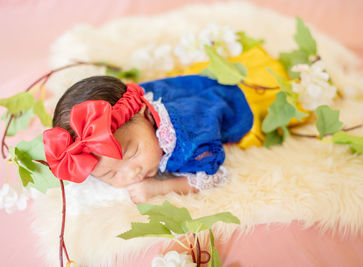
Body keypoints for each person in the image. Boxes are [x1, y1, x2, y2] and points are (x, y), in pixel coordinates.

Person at [43, 75, 253, 203]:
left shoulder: (188, 142)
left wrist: (161, 187)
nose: (132, 173)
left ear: (145, 113)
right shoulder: (131, 111)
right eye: (111, 174)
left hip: (244, 100)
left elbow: (217, 176)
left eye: (132, 152)